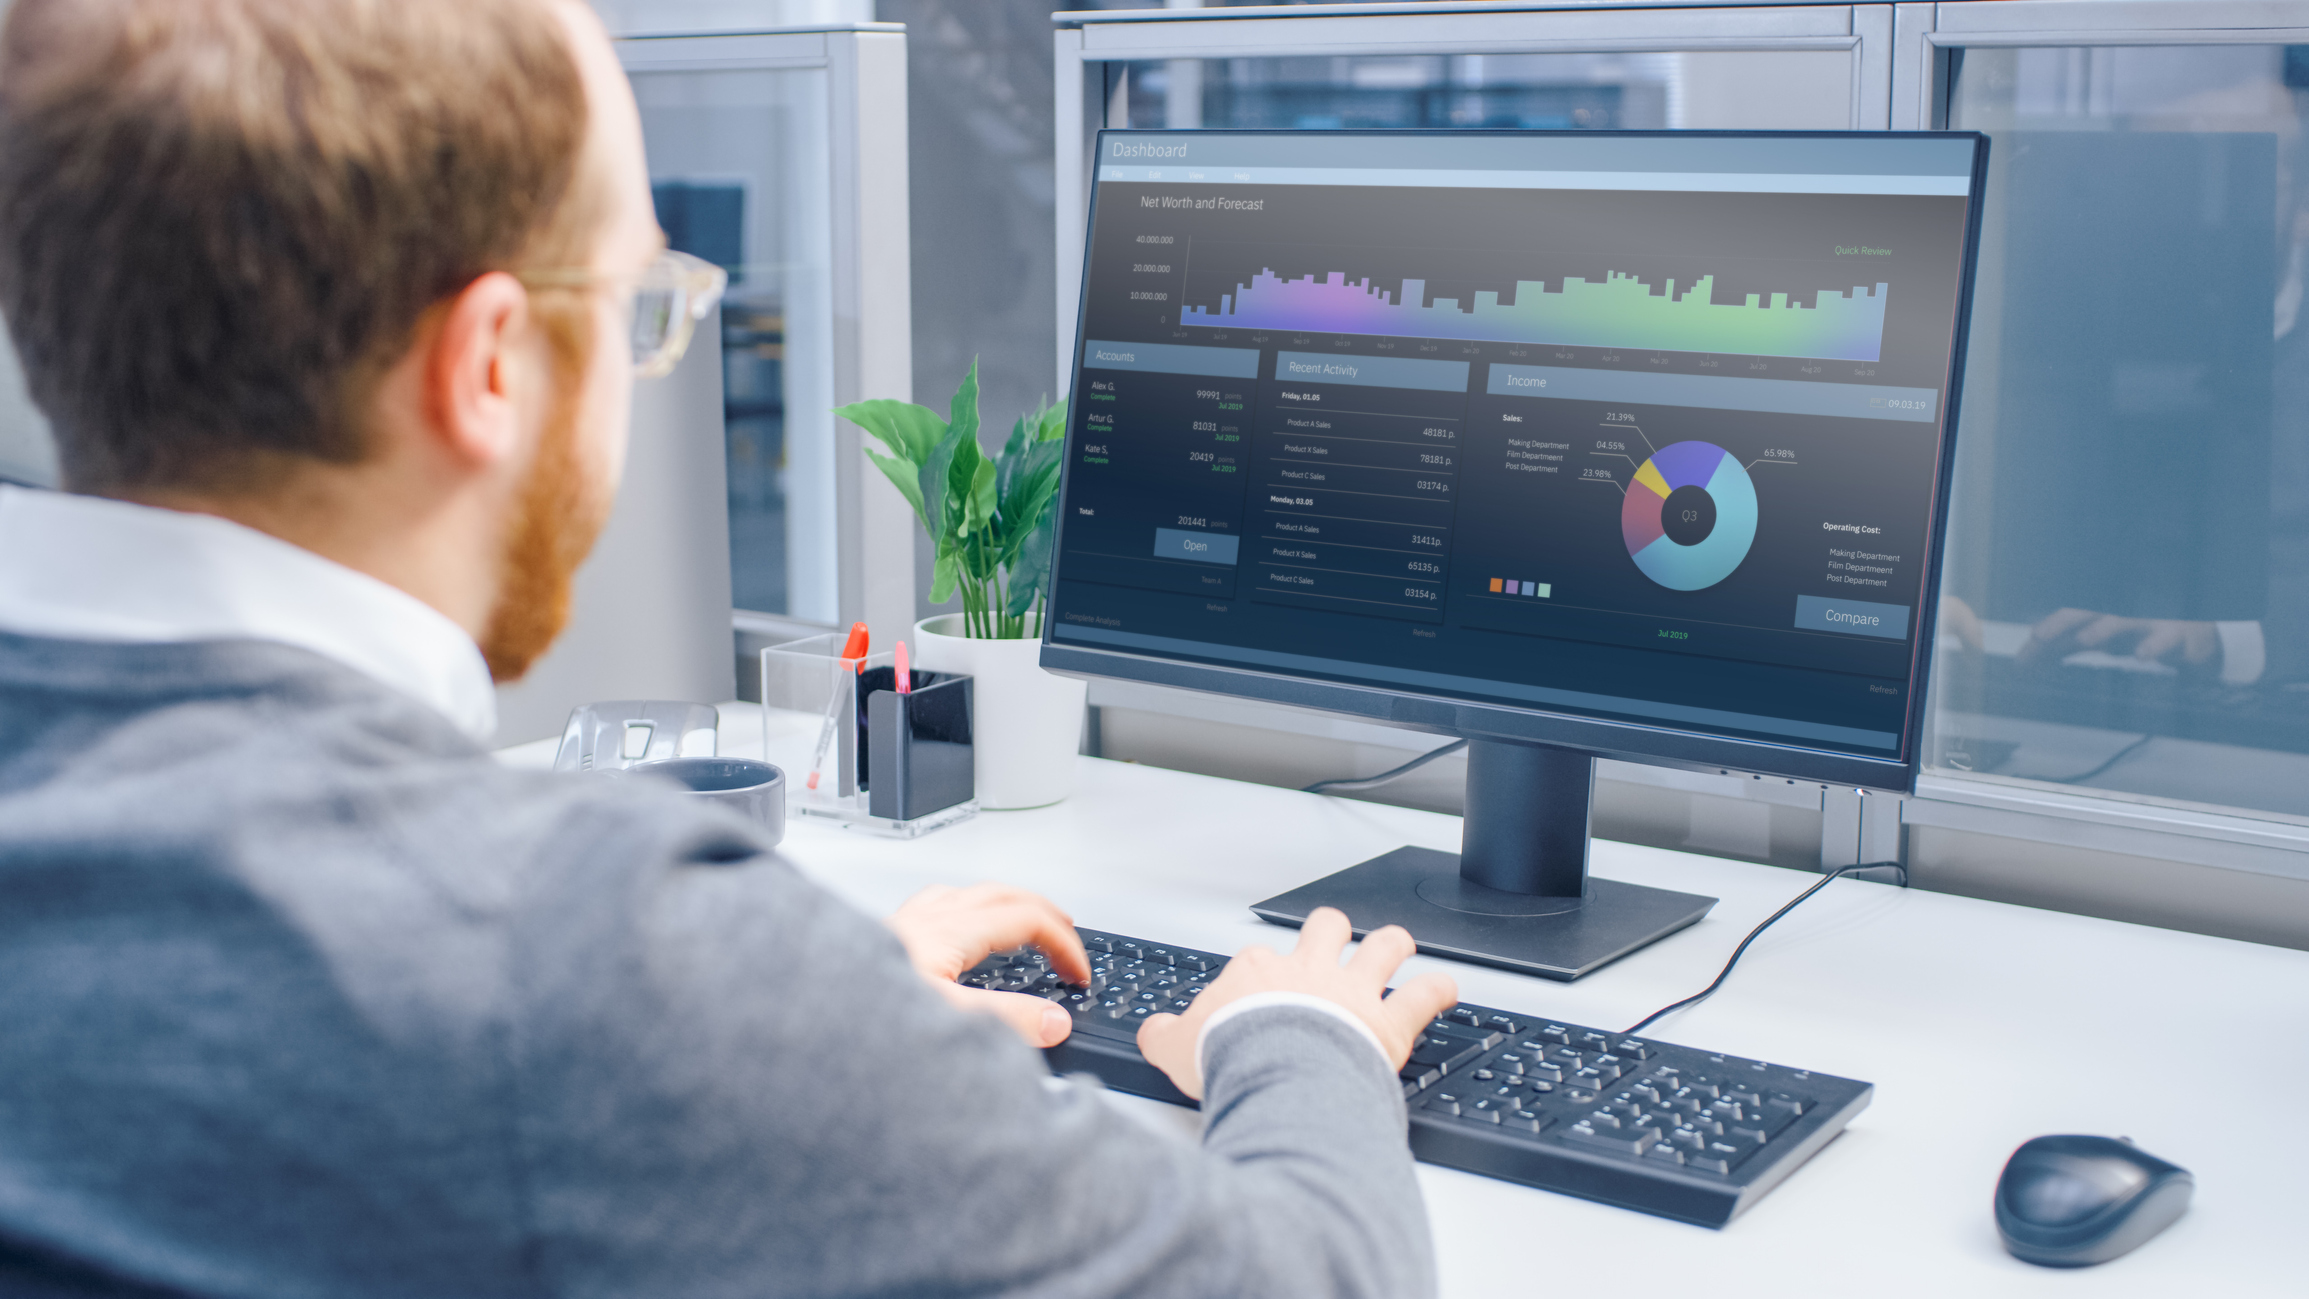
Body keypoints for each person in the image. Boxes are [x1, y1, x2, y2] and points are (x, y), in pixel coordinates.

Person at [0, 1, 1459, 1294]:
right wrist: (1293, 1037)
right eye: (639, 306)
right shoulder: (571, 962)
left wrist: (792, 1041)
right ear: (491, 366)